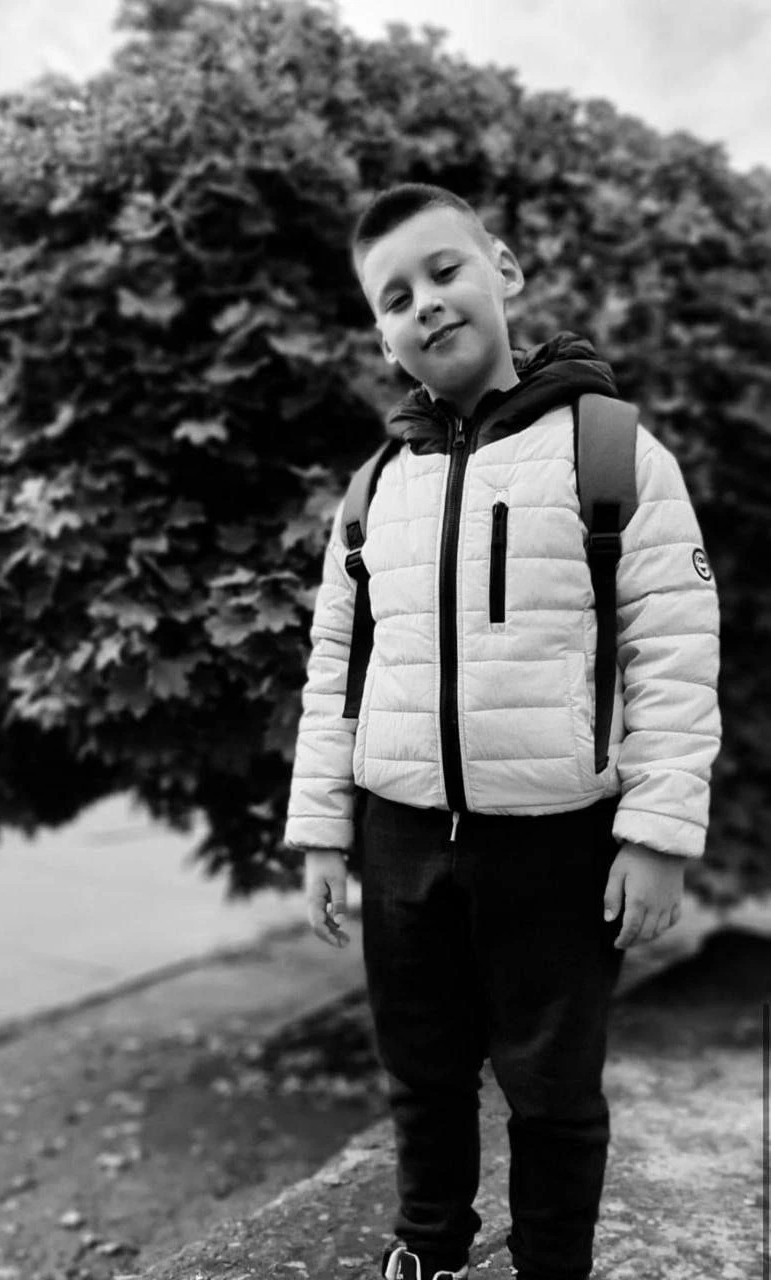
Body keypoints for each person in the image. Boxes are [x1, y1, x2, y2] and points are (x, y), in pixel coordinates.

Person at [283, 183, 721, 1280]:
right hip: (399, 835)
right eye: (395, 297)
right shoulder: (373, 491)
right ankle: (428, 1248)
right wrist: (323, 830)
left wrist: (658, 830)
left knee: (553, 1085)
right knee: (419, 1071)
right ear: (381, 337)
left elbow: (671, 648)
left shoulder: (610, 451)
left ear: (504, 270)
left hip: (553, 840)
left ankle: (550, 1263)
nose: (425, 303)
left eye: (444, 271)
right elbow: (337, 669)